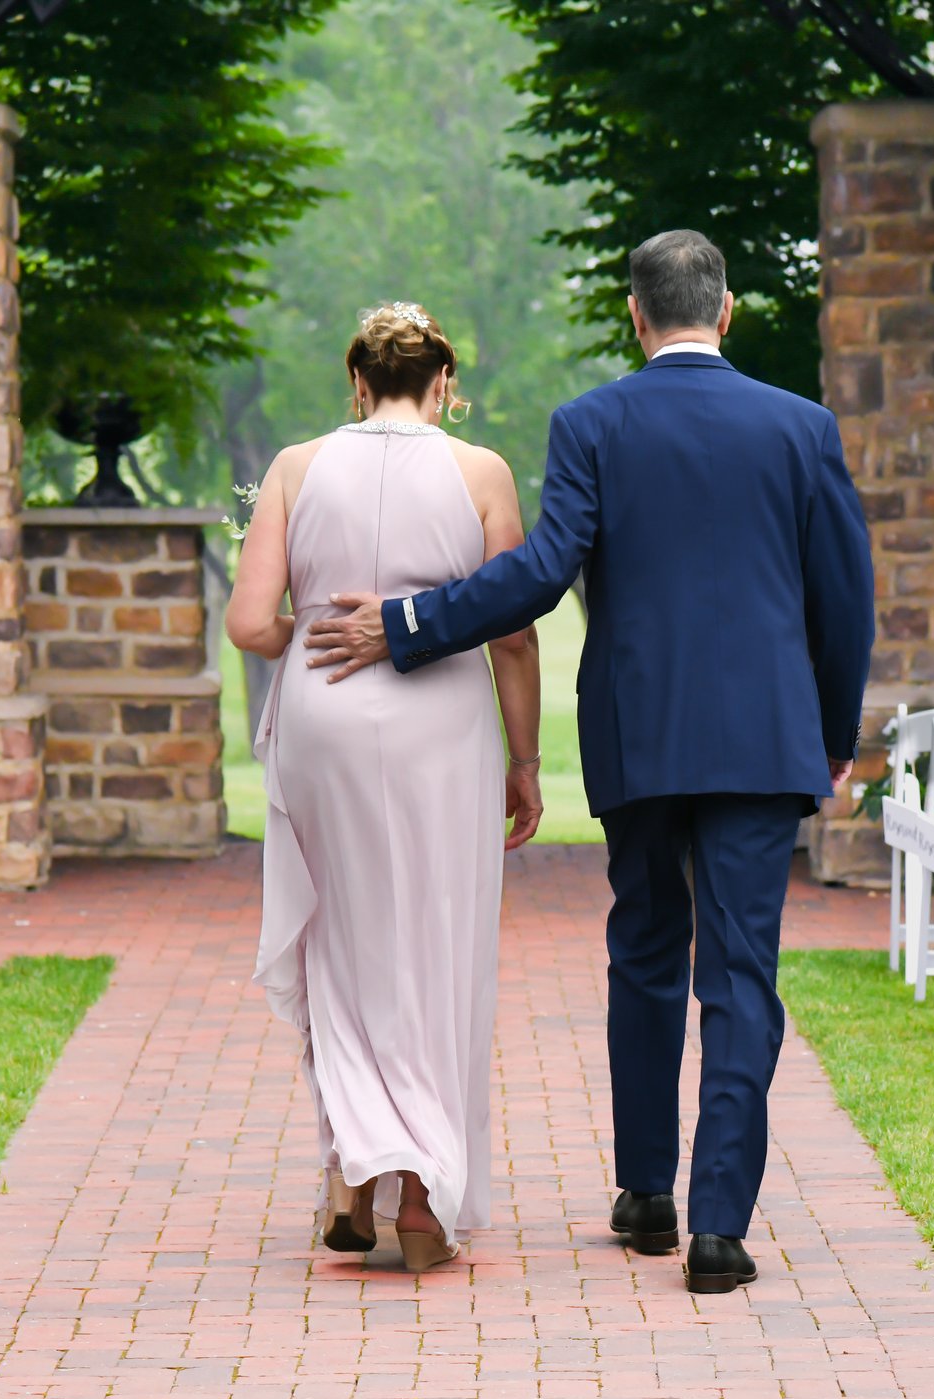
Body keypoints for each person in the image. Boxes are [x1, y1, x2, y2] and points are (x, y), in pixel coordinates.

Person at [304, 231, 874, 1294]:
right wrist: (832, 733)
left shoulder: (595, 422)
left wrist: (411, 621)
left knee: (647, 952)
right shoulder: (802, 428)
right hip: (761, 741)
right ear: (728, 310)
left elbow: (534, 575)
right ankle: (718, 1226)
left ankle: (646, 1189)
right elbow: (845, 597)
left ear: (635, 314)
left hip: (640, 732)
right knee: (743, 972)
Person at [228, 301, 544, 1274]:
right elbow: (514, 627)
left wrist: (302, 638)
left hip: (323, 712)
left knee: (343, 938)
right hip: (437, 721)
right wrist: (523, 760)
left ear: (356, 384)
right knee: (437, 939)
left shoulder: (293, 465)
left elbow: (248, 620)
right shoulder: (479, 470)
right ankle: (419, 1204)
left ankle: (352, 1174)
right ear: (441, 384)